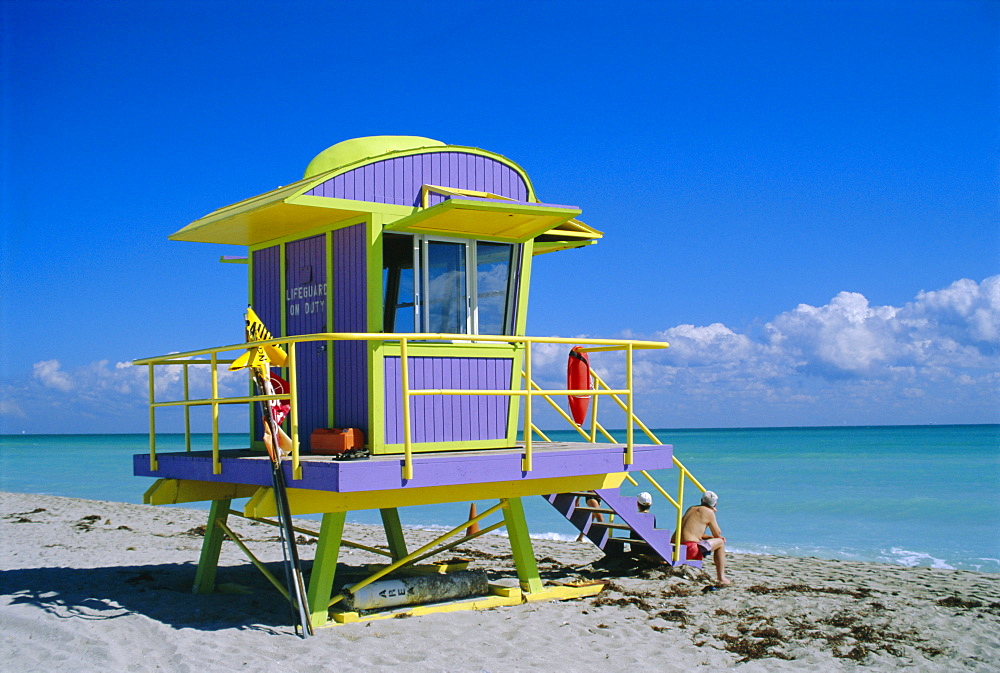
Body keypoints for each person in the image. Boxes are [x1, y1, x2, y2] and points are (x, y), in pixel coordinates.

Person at [679, 490, 730, 585]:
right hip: (691, 550)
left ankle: (721, 577)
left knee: (717, 541)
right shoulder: (709, 512)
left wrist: (709, 537)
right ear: (715, 504)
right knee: (721, 542)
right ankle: (721, 577)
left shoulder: (691, 508)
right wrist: (712, 513)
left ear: (701, 500)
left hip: (679, 547)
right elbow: (717, 534)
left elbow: (695, 533)